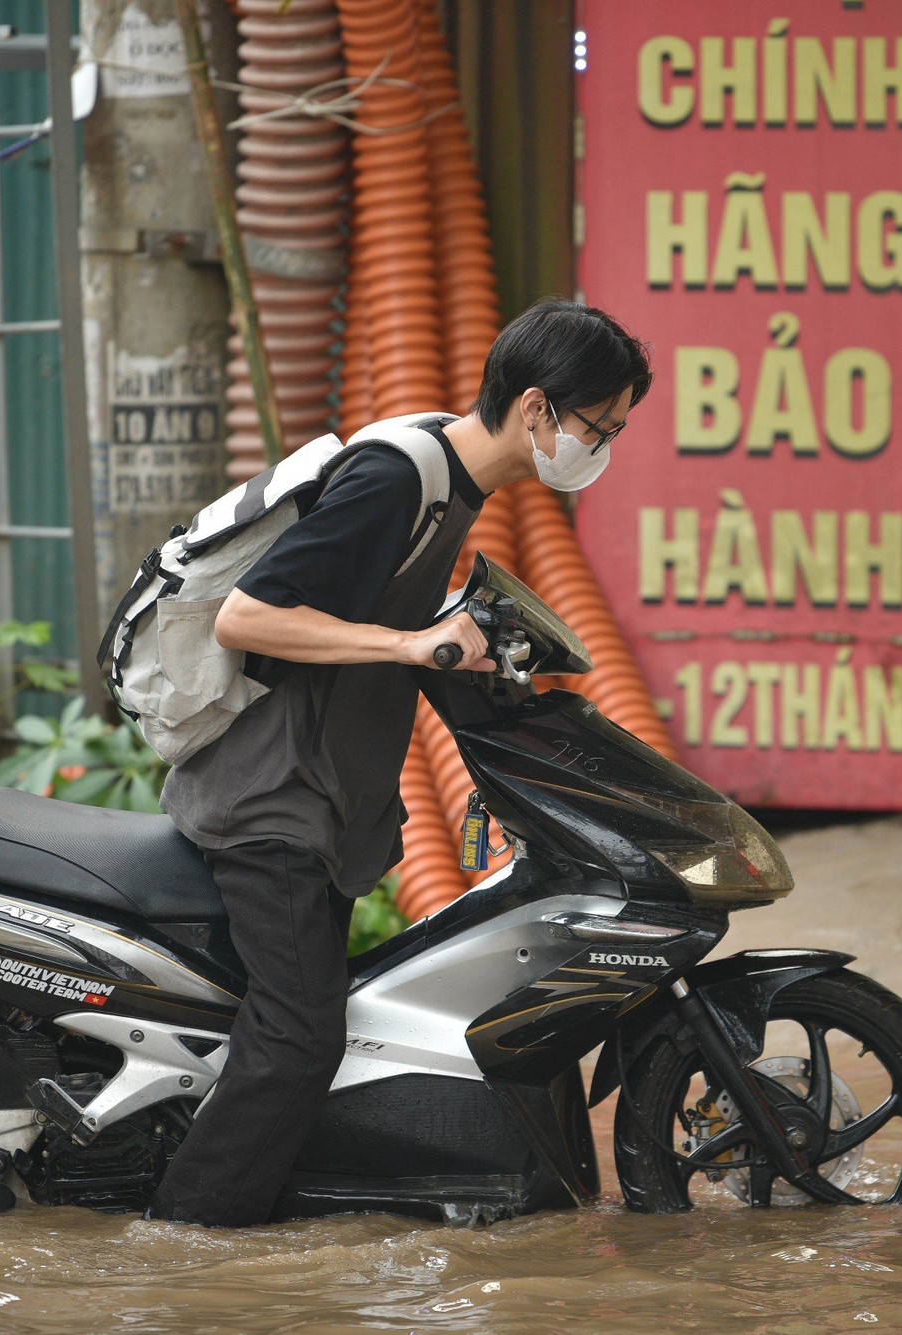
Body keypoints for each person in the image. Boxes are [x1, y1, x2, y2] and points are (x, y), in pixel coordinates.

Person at [146, 298, 653, 1226]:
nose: (602, 447)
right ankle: (185, 1250)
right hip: (272, 801)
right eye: (597, 427)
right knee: (301, 1039)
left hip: (322, 796)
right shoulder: (401, 474)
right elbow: (246, 617)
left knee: (307, 1025)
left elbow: (392, 613)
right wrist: (410, 646)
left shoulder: (453, 477)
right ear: (537, 408)